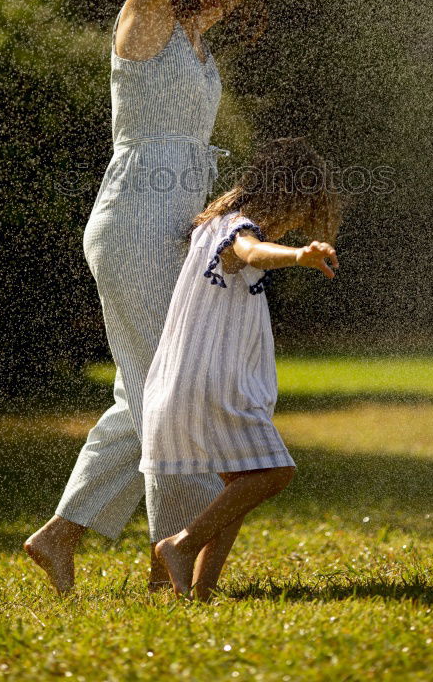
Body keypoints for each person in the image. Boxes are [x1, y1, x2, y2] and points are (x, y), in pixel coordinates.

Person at [24, 0, 311, 593]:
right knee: (170, 389)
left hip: (181, 220)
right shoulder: (144, 17)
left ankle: (60, 535)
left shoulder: (192, 31)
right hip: (134, 218)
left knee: (144, 388)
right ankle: (172, 561)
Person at [139, 136, 345, 600]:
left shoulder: (213, 223)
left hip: (191, 376)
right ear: (288, 196)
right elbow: (251, 252)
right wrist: (298, 256)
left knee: (240, 478)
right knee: (273, 472)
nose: (297, 222)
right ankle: (182, 545)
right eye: (302, 209)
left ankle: (202, 588)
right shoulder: (239, 228)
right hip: (215, 383)